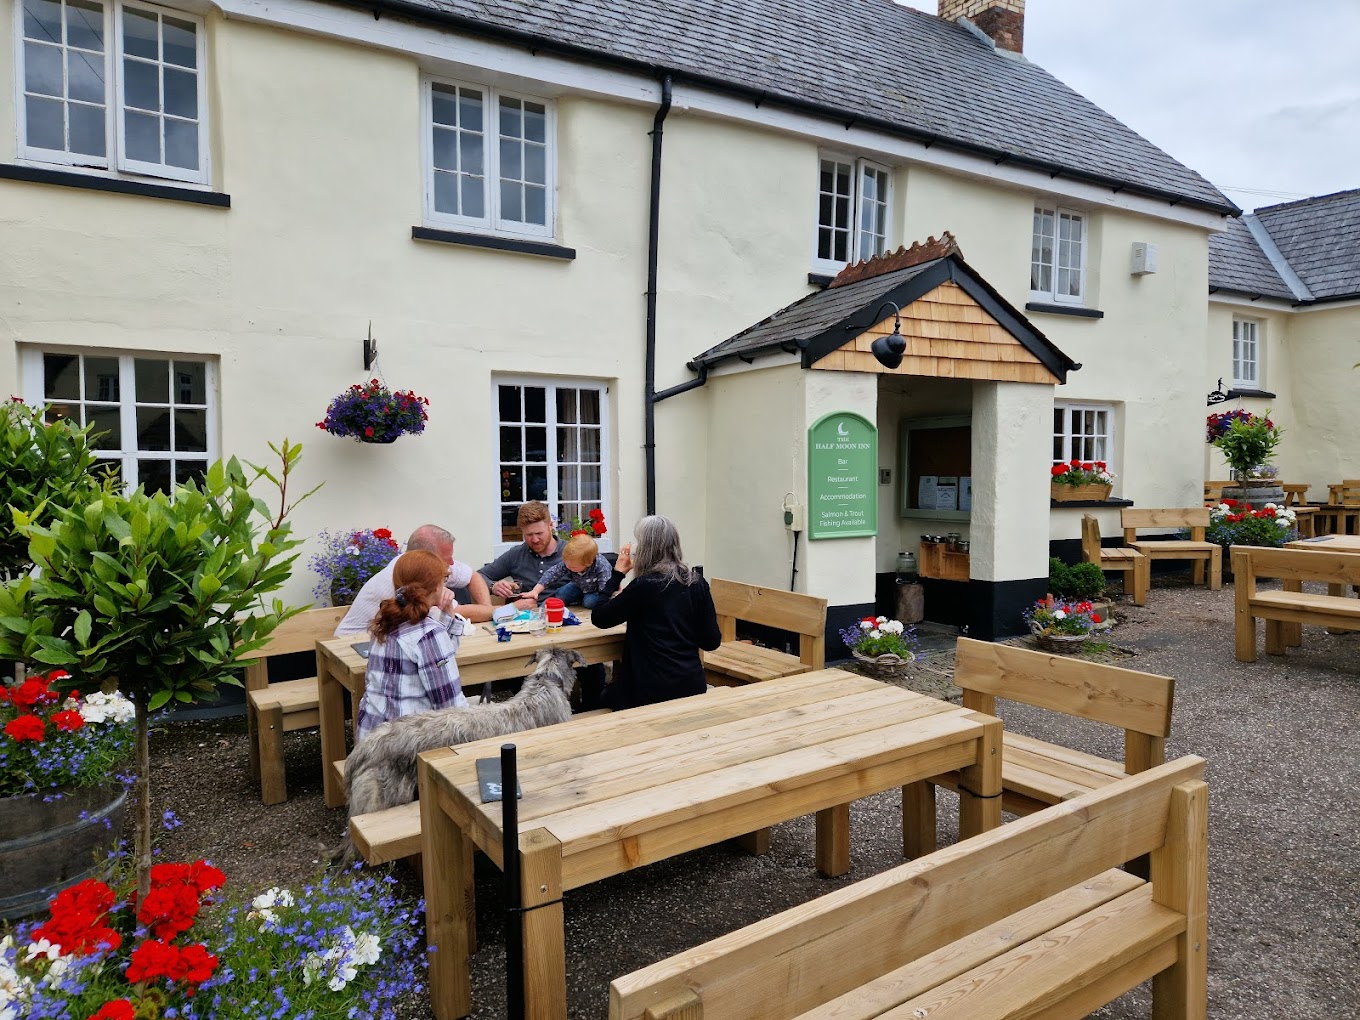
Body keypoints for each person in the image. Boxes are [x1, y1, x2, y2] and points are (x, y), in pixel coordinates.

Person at [589, 515, 722, 710]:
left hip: (648, 693)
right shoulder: (696, 582)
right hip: (690, 686)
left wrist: (616, 574)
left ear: (646, 549)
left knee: (599, 698)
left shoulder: (644, 586)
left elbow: (599, 617)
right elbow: (711, 642)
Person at [355, 550, 470, 742]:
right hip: (405, 749)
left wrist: (447, 613)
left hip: (370, 741)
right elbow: (451, 708)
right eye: (443, 581)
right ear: (435, 587)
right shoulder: (429, 634)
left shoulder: (385, 622)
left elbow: (439, 658)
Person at [336, 524, 491, 636]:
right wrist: (505, 610)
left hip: (387, 645)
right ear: (425, 557)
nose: (451, 563)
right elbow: (455, 614)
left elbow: (472, 576)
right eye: (446, 559)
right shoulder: (406, 575)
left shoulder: (414, 564)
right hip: (352, 648)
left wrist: (487, 608)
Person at [478, 501, 564, 610]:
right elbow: (478, 576)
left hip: (568, 616)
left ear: (551, 525)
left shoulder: (571, 553)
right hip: (525, 620)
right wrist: (493, 586)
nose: (535, 540)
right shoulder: (516, 554)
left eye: (539, 533)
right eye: (529, 535)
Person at [524, 532, 612, 609]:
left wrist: (605, 602)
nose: (568, 567)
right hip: (578, 585)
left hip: (596, 589)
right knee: (560, 594)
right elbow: (552, 573)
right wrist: (535, 591)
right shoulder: (571, 562)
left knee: (589, 602)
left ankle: (583, 599)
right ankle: (579, 597)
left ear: (588, 563)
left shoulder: (602, 566)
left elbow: (606, 588)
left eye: (573, 567)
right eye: (566, 564)